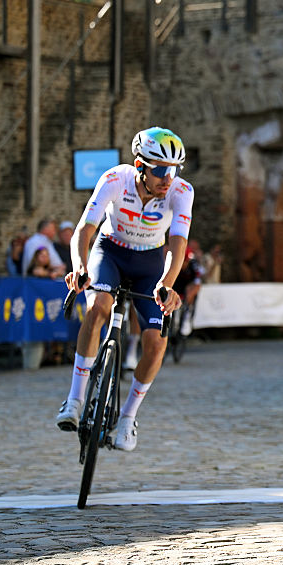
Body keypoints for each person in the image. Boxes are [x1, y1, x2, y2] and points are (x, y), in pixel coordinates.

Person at [55, 127, 193, 452]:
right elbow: (85, 228)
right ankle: (75, 399)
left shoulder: (181, 191)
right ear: (140, 165)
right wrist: (79, 266)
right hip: (111, 251)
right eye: (159, 170)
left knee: (157, 342)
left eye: (172, 170)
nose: (167, 178)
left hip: (150, 263)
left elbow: (178, 242)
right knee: (98, 307)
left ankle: (128, 417)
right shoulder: (115, 179)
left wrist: (167, 284)